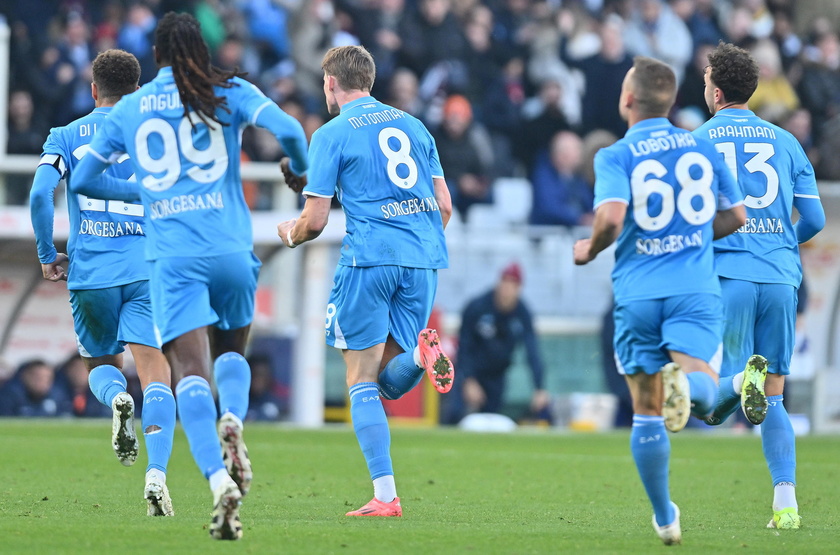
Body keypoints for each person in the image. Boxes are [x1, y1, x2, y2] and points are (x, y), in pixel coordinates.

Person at [70, 12, 309, 540]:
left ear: (154, 57)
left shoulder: (130, 107)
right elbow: (291, 130)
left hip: (171, 258)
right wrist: (299, 170)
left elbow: (86, 179)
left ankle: (218, 480)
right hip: (228, 248)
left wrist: (144, 195)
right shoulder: (227, 90)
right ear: (201, 50)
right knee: (231, 354)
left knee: (189, 374)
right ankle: (236, 421)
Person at [573, 56, 745, 545]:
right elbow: (736, 215)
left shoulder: (615, 155)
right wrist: (691, 237)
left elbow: (608, 220)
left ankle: (665, 518)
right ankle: (692, 391)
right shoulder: (702, 148)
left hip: (638, 294)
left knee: (646, 410)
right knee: (700, 384)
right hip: (693, 289)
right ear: (670, 101)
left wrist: (589, 249)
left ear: (628, 99)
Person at [276, 45, 454, 518]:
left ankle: (386, 496)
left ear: (331, 83)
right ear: (369, 81)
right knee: (387, 385)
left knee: (359, 380)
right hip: (423, 260)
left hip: (370, 260)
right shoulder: (414, 126)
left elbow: (313, 222)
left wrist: (288, 234)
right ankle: (422, 353)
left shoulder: (331, 132)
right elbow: (445, 205)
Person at [29, 48, 176, 518]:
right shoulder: (158, 135)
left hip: (91, 273)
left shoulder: (66, 135)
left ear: (94, 90)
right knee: (156, 373)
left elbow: (38, 193)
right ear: (138, 90)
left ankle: (116, 400)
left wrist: (47, 254)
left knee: (97, 362)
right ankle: (156, 474)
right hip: (145, 271)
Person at [694, 42, 826, 531]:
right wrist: (778, 242)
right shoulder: (788, 142)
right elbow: (814, 218)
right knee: (774, 396)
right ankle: (786, 505)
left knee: (713, 401)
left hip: (730, 277)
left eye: (706, 78)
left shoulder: (701, 140)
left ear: (717, 90)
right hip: (780, 279)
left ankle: (734, 382)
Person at [447, 262, 550, 424]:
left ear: (519, 288)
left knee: (490, 420)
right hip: (470, 371)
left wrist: (539, 387)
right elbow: (464, 346)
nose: (506, 290)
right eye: (504, 283)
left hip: (497, 376)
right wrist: (469, 380)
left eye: (512, 285)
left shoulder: (523, 314)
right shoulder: (477, 307)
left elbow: (532, 351)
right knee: (456, 415)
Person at [0, 359, 68, 417]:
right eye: (37, 377)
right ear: (24, 376)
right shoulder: (9, 395)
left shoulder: (58, 396)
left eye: (47, 378)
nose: (42, 381)